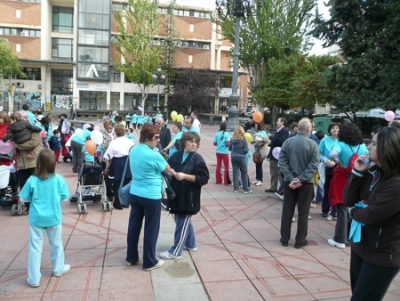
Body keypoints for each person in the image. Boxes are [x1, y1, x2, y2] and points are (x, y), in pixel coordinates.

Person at [343, 127, 400, 301]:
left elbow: (372, 215)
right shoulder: (372, 171)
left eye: (374, 144)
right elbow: (347, 199)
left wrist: (354, 212)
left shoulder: (396, 183)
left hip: (382, 254)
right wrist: (357, 172)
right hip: (361, 246)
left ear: (387, 149)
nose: (368, 147)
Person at [19, 149, 70, 287]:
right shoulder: (58, 179)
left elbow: (23, 198)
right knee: (56, 244)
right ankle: (58, 268)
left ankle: (34, 278)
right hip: (53, 217)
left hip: (36, 219)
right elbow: (65, 197)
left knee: (35, 248)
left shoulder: (32, 179)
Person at [126, 123, 171, 270]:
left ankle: (131, 256)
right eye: (156, 137)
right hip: (151, 195)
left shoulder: (133, 150)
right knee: (151, 228)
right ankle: (149, 261)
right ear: (148, 137)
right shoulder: (154, 154)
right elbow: (167, 169)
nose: (158, 140)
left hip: (135, 193)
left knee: (134, 225)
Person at [160, 131, 209, 260]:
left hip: (189, 197)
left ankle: (176, 251)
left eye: (196, 142)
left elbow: (203, 178)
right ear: (184, 142)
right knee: (182, 221)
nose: (194, 144)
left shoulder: (198, 159)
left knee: (182, 222)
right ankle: (191, 244)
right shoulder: (176, 155)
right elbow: (168, 167)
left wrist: (184, 176)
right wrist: (170, 172)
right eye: (191, 141)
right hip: (176, 194)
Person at [279, 118, 319, 249]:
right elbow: (314, 165)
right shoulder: (313, 144)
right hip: (306, 183)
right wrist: (301, 179)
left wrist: (291, 178)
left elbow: (282, 162)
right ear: (308, 129)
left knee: (287, 210)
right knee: (303, 212)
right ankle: (300, 240)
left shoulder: (288, 142)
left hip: (289, 182)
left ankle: (284, 238)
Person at [327, 123, 368, 249]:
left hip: (342, 179)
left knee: (341, 208)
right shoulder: (362, 146)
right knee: (353, 208)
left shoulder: (341, 145)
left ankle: (340, 238)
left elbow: (332, 154)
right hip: (357, 179)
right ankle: (351, 237)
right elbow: (368, 159)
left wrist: (339, 163)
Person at [104, 124, 134, 210]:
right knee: (127, 182)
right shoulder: (130, 141)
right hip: (128, 163)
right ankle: (126, 202)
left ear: (116, 132)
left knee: (117, 183)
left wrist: (107, 167)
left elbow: (108, 157)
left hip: (117, 163)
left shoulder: (113, 142)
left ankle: (118, 203)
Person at [319, 122, 340, 219]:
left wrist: (336, 162)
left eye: (336, 128)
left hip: (338, 167)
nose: (335, 130)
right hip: (327, 167)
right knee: (327, 188)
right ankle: (325, 210)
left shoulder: (341, 141)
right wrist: (325, 160)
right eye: (333, 128)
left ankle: (334, 210)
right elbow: (319, 153)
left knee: (336, 189)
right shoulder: (324, 140)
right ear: (330, 130)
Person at [265, 117, 289, 192]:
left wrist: (271, 137)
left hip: (279, 155)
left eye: (278, 121)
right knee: (273, 172)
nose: (276, 122)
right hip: (273, 154)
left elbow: (281, 141)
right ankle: (273, 186)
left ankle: (283, 188)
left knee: (279, 172)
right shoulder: (278, 131)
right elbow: (276, 141)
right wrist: (271, 143)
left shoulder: (284, 131)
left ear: (283, 122)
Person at [229, 126, 252, 194]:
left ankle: (236, 189)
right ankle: (246, 189)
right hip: (241, 157)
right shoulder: (243, 139)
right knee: (244, 173)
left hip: (233, 156)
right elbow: (246, 150)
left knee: (235, 173)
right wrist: (243, 152)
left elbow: (229, 148)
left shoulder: (232, 139)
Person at [251, 121, 269, 186]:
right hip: (256, 150)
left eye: (256, 124)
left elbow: (265, 141)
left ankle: (260, 179)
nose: (255, 126)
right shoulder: (257, 132)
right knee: (257, 164)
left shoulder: (263, 132)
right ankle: (257, 178)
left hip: (260, 151)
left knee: (259, 164)